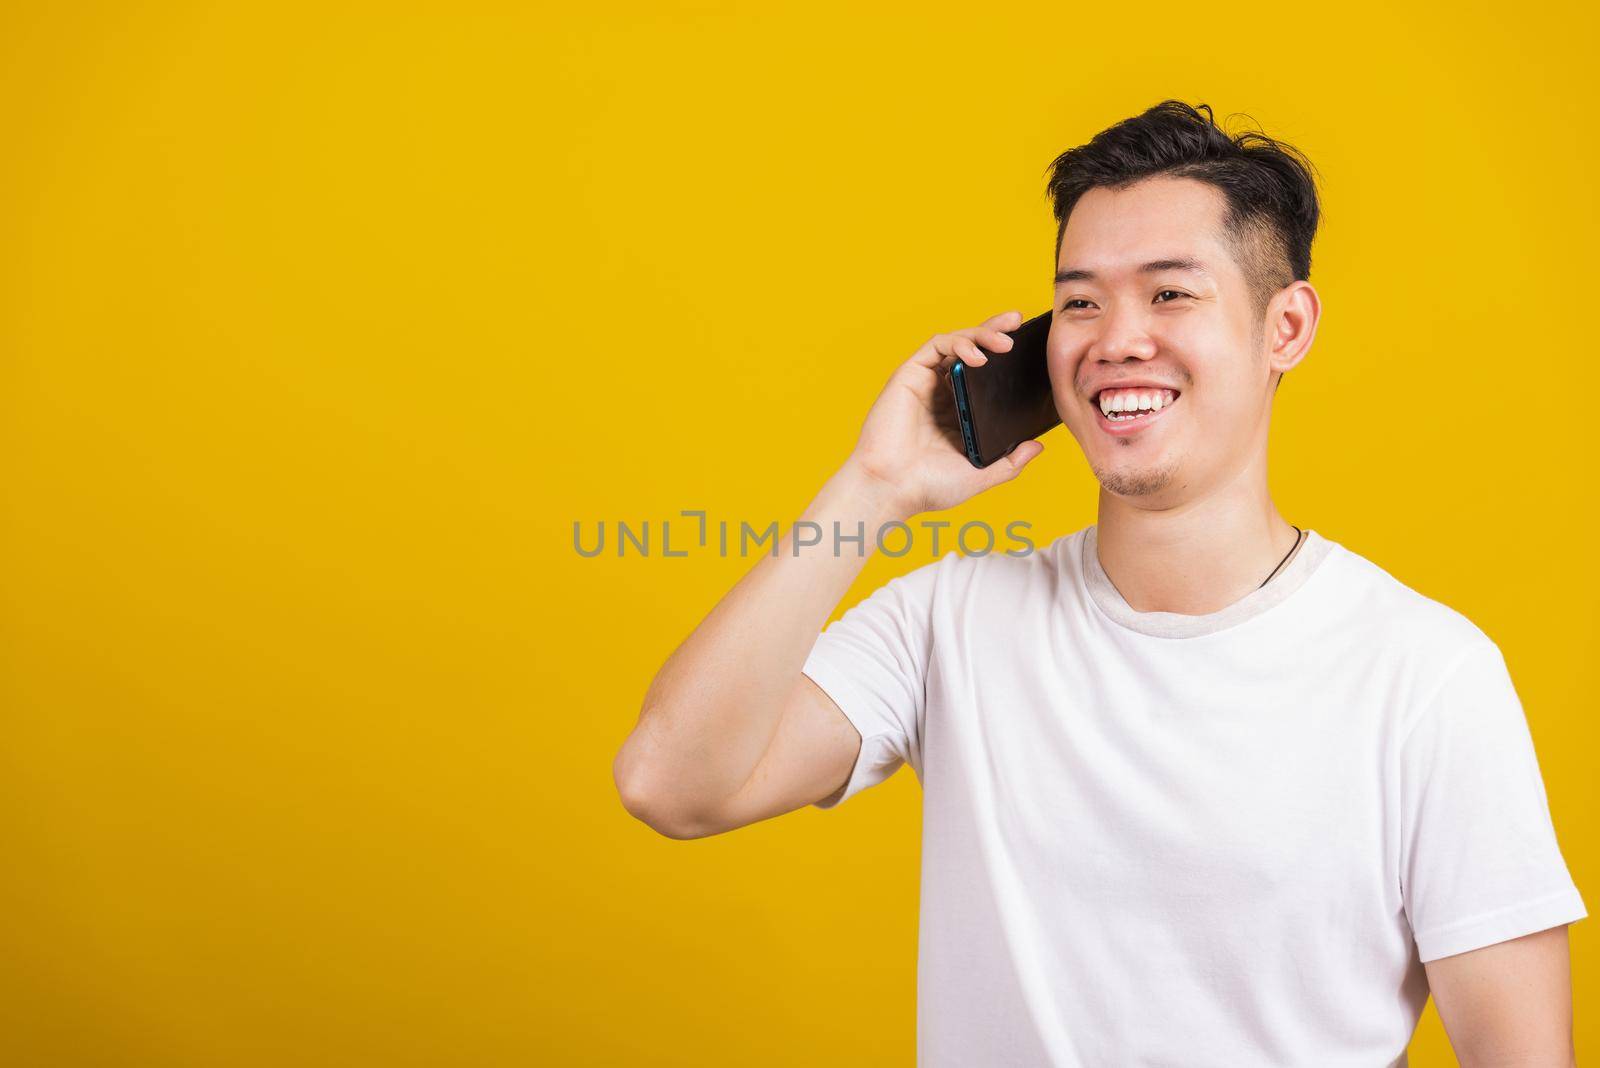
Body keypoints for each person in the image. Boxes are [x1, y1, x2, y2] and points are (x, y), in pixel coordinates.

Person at [612, 100, 1585, 1065]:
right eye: (1080, 301)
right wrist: (873, 486)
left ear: (1284, 325)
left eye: (1169, 294)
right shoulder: (949, 620)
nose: (1115, 339)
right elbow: (670, 782)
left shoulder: (1426, 677)